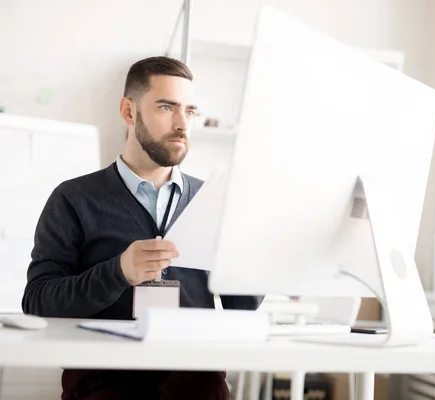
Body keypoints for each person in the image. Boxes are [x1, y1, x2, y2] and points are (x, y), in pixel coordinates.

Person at [21, 56, 263, 400]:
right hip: (105, 384)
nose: (182, 124)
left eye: (190, 111)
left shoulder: (213, 200)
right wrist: (117, 272)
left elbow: (244, 305)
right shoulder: (74, 199)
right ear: (129, 112)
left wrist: (251, 255)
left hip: (196, 384)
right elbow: (38, 303)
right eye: (167, 107)